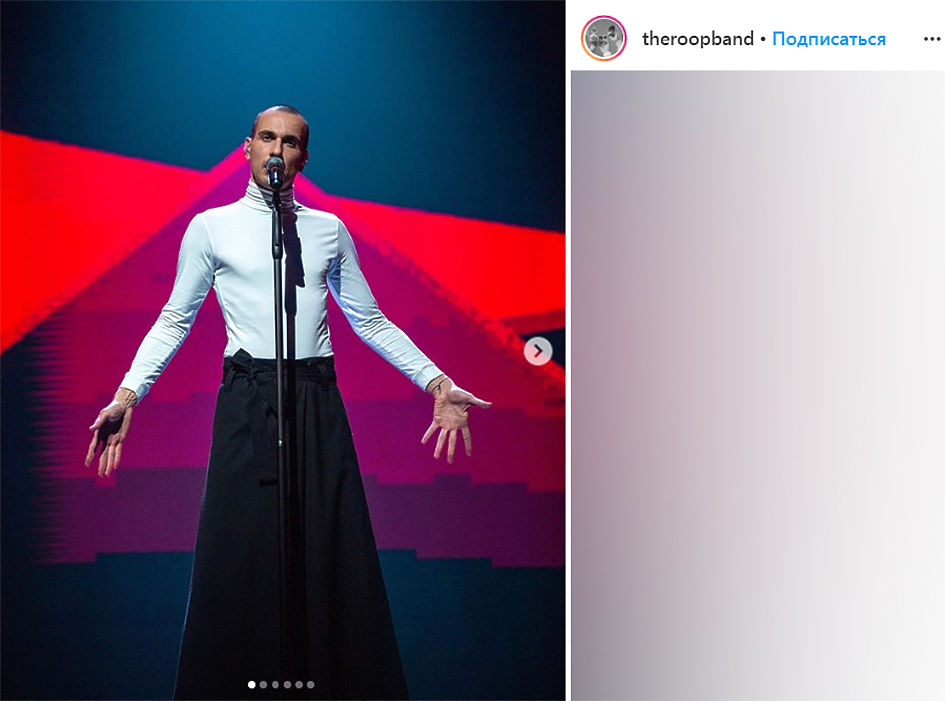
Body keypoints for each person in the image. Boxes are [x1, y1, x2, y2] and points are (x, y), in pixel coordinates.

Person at [84, 105, 490, 700]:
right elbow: (175, 319)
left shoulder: (327, 230)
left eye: (291, 142)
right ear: (248, 147)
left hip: (314, 397)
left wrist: (436, 383)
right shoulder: (212, 227)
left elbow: (370, 320)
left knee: (328, 544)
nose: (278, 150)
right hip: (248, 398)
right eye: (268, 138)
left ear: (303, 158)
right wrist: (129, 395)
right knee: (239, 549)